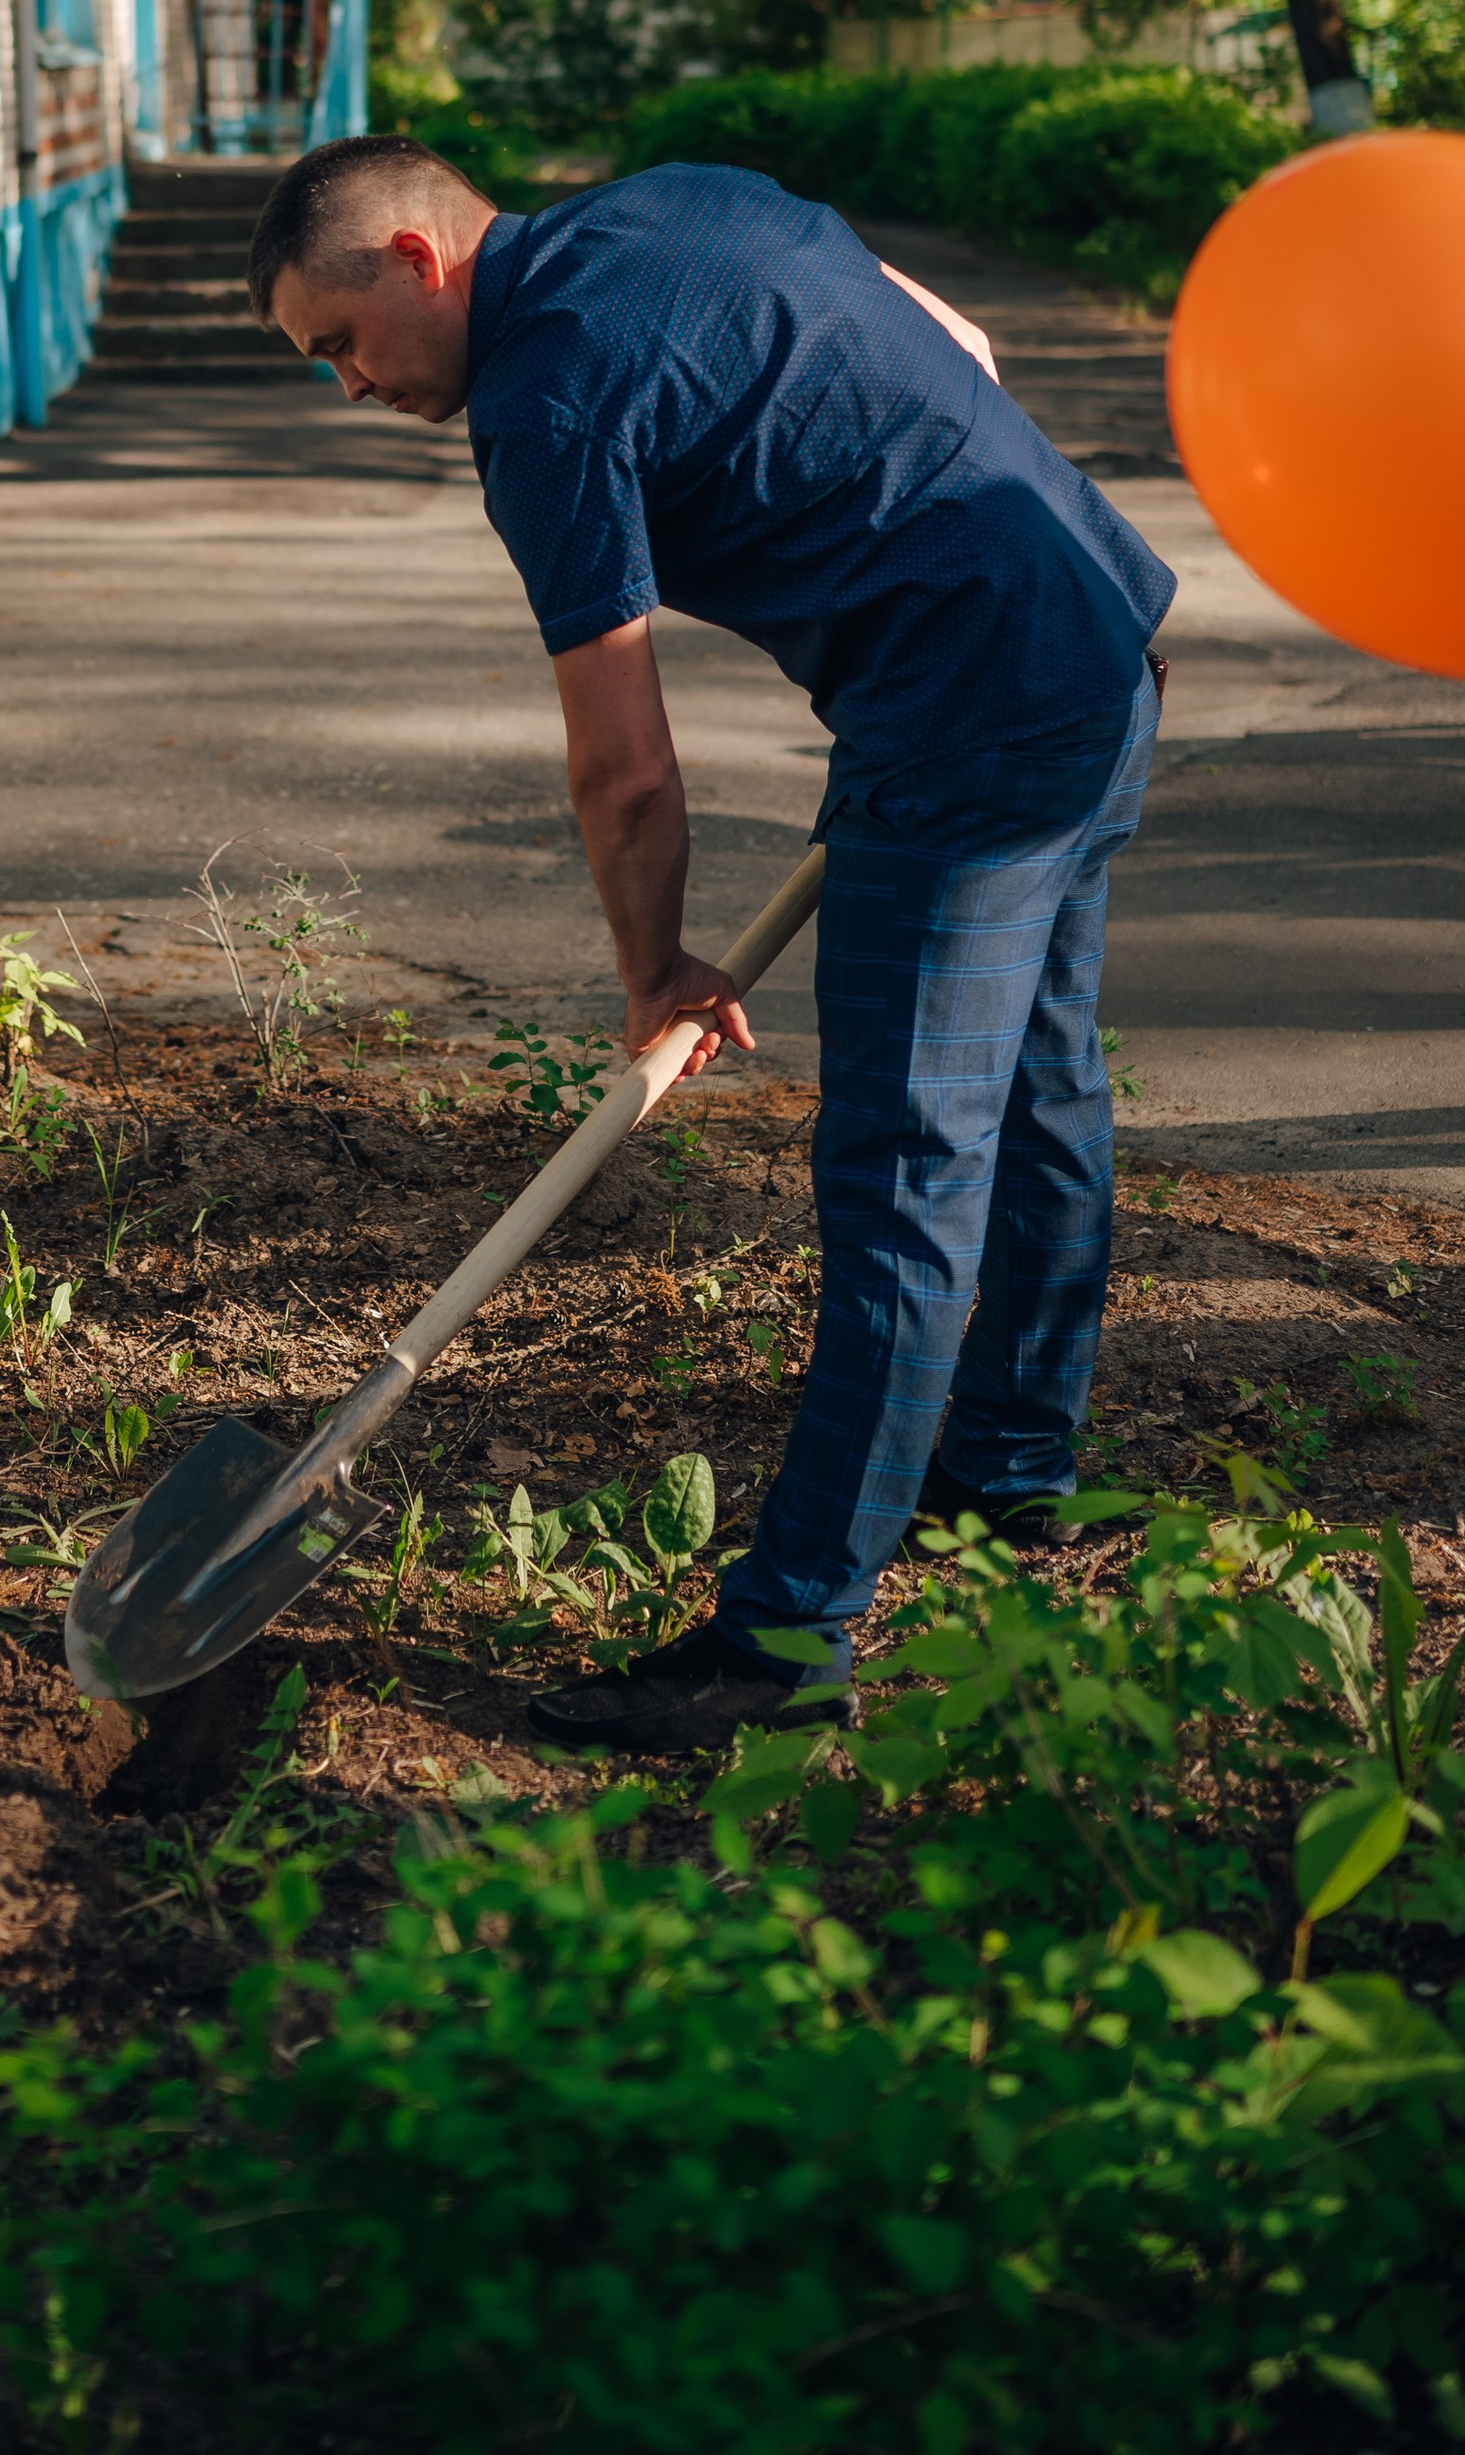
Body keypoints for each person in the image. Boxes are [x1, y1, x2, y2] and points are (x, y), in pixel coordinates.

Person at [248, 135, 1173, 1757]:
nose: (348, 388)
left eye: (340, 345)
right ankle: (1016, 1483)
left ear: (415, 257)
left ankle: (787, 1636)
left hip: (968, 729)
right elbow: (958, 339)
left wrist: (653, 970)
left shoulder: (544, 405)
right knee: (1040, 1093)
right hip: (1093, 628)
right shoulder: (687, 197)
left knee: (904, 1170)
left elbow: (625, 769)